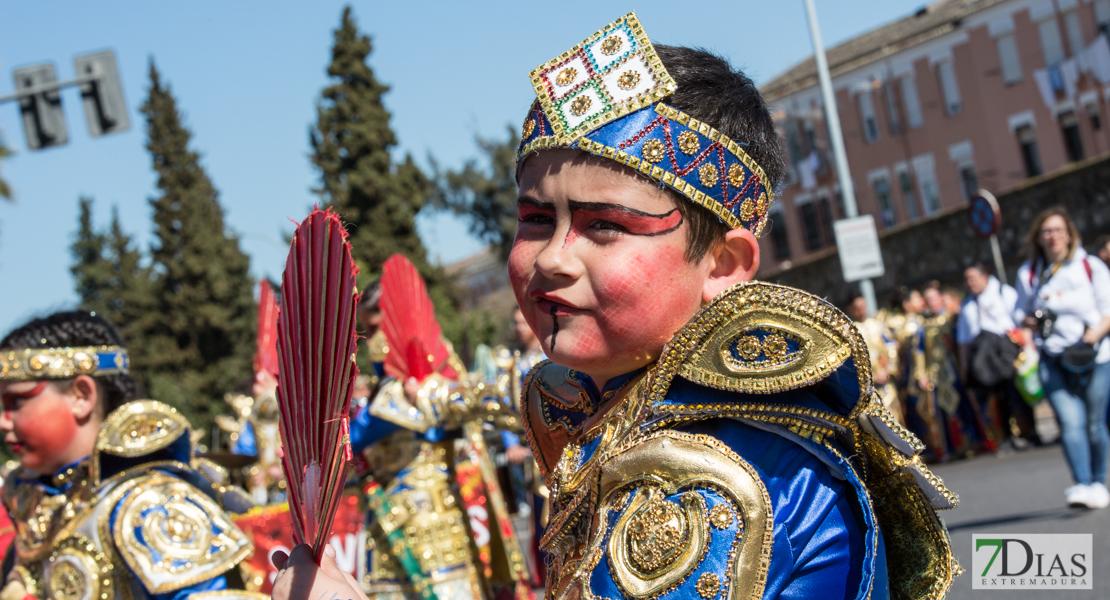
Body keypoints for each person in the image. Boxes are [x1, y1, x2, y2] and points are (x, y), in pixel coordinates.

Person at [271, 14, 958, 600]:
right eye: (536, 220)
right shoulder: (630, 414)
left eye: (604, 226)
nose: (552, 258)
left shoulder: (699, 479)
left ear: (722, 266)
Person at [0, 311, 257, 600]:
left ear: (81, 396)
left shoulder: (150, 502)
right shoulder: (36, 499)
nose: (3, 421)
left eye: (16, 401)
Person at [1015, 206, 1110, 509]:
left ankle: (1098, 481)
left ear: (1068, 234)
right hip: (1052, 357)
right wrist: (1032, 320)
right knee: (1070, 422)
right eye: (1047, 231)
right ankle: (1081, 484)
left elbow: (1108, 309)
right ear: (1039, 238)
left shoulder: (1090, 267)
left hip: (1094, 356)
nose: (1053, 236)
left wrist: (1092, 336)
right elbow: (1019, 314)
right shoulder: (1029, 273)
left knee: (1095, 423)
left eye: (1058, 230)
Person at [957, 263, 1036, 449]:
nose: (970, 283)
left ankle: (1030, 432)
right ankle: (1007, 436)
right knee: (997, 398)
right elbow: (963, 339)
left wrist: (1028, 345)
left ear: (985, 276)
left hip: (1006, 351)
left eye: (973, 278)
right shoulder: (968, 303)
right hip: (984, 357)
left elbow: (1020, 319)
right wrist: (965, 365)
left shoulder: (1003, 292)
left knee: (1018, 392)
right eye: (967, 279)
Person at [845, 294, 904, 425]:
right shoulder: (849, 333)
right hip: (869, 389)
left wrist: (889, 370)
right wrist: (868, 378)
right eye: (857, 308)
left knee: (896, 420)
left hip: (887, 382)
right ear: (850, 309)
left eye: (863, 306)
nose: (861, 310)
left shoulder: (877, 325)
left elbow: (891, 347)